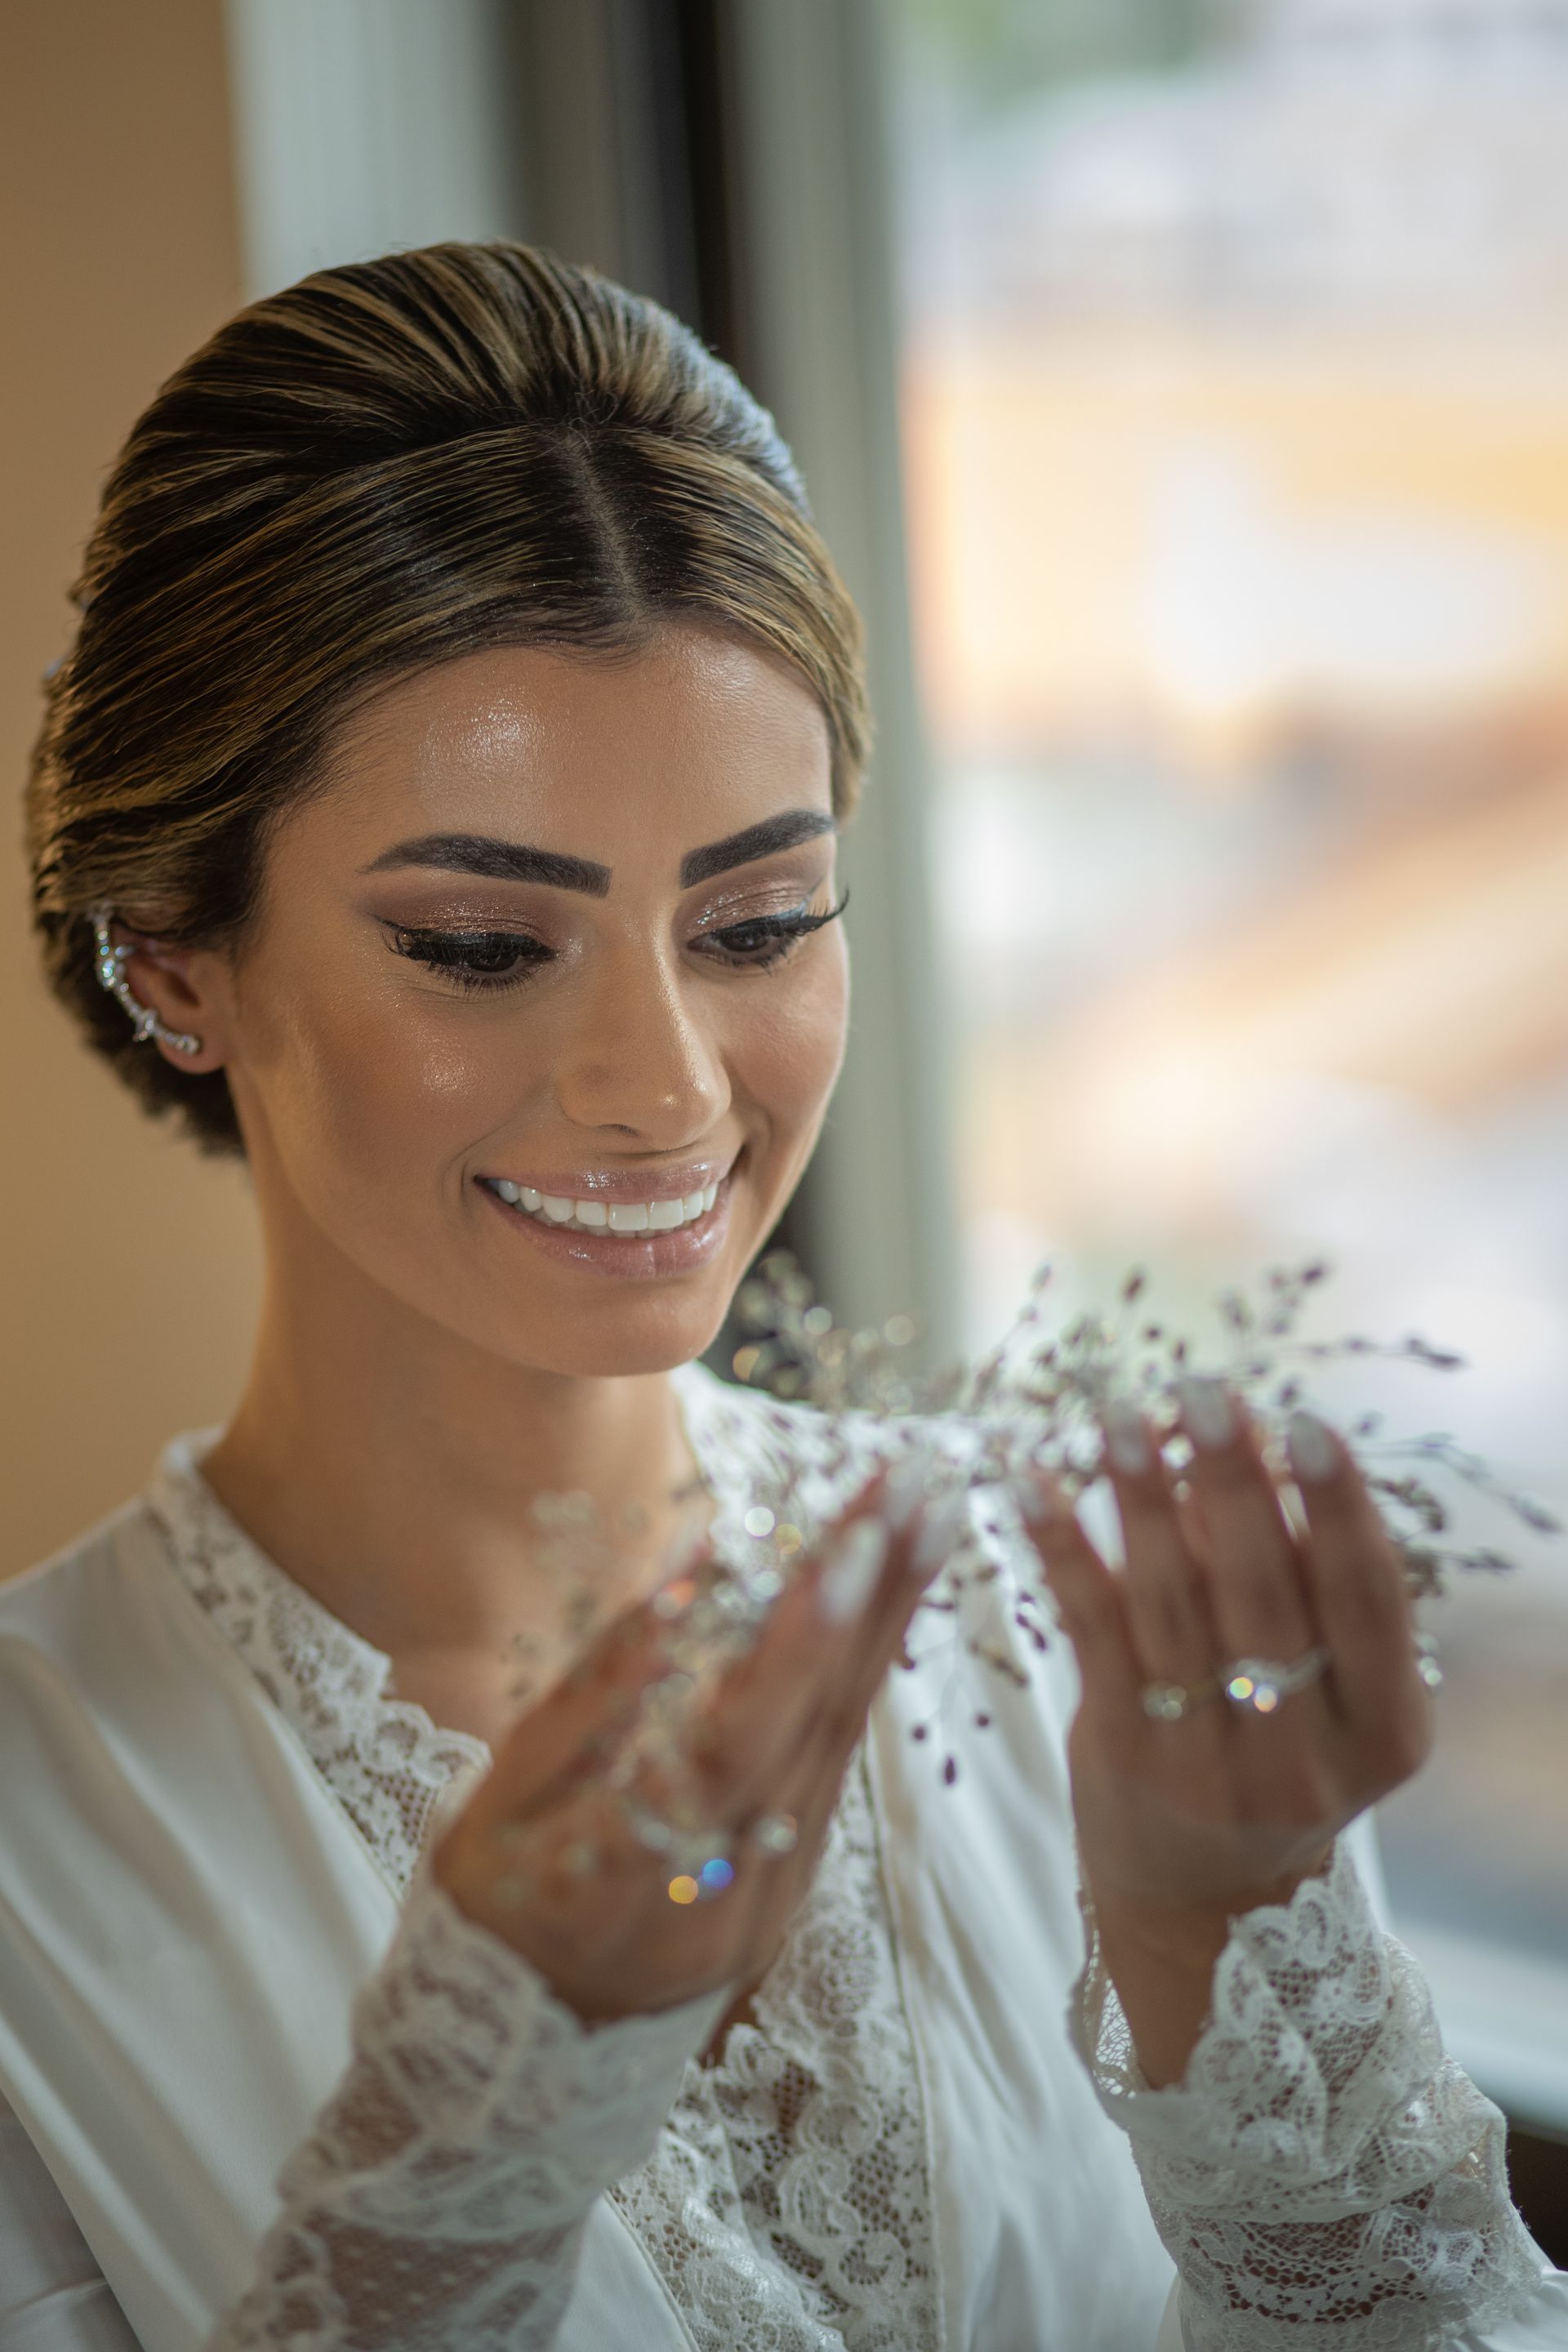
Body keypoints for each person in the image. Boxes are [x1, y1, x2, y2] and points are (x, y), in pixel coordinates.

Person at [4, 240, 1564, 2352]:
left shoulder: (1073, 1644)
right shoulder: (37, 1846)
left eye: (759, 920)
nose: (662, 1086)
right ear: (175, 956)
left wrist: (1227, 1959)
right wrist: (458, 2167)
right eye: (481, 944)